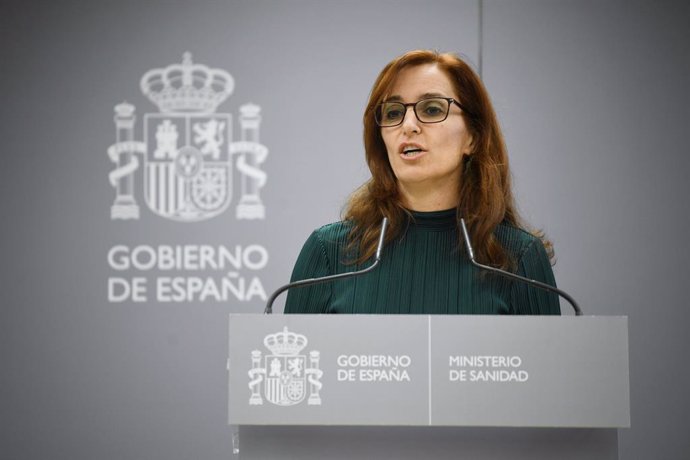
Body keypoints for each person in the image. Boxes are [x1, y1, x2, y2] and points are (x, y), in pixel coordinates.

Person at [284, 50, 560, 315]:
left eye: (431, 109)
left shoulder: (518, 258)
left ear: (473, 137)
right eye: (393, 113)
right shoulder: (328, 253)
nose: (408, 125)